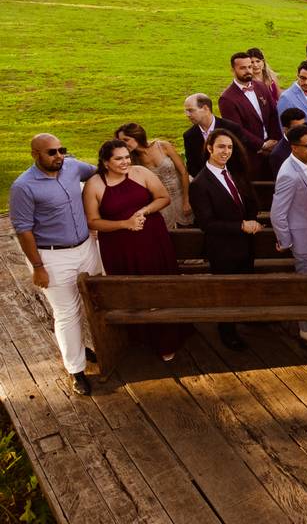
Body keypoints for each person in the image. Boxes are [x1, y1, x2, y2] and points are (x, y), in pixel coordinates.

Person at [10, 134, 103, 395]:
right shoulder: (23, 187)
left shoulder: (73, 167)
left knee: (97, 300)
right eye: (51, 152)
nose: (59, 156)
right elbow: (24, 231)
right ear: (35, 155)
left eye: (62, 150)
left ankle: (100, 348)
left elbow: (99, 174)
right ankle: (76, 369)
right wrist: (38, 267)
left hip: (86, 248)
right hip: (52, 257)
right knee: (67, 313)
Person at [83, 140, 190, 361]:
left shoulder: (140, 172)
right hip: (120, 247)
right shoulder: (95, 184)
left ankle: (169, 338)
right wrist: (125, 224)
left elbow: (164, 198)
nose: (125, 162)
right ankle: (139, 337)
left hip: (153, 240)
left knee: (159, 287)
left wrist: (143, 211)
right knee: (132, 292)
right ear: (105, 162)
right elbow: (93, 221)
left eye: (126, 157)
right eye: (118, 158)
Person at [189, 130, 261, 351]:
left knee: (245, 285)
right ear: (209, 148)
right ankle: (227, 330)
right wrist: (241, 226)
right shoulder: (200, 184)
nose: (226, 152)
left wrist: (252, 218)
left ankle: (248, 317)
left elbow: (247, 201)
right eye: (221, 147)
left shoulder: (234, 173)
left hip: (246, 245)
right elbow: (207, 224)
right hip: (223, 248)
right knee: (227, 291)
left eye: (229, 147)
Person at [271, 126, 307, 347]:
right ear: (293, 148)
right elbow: (278, 213)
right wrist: (286, 242)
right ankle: (305, 327)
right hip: (302, 238)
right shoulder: (288, 174)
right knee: (305, 282)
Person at [217, 51, 282, 180]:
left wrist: (274, 141)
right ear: (233, 70)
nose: (248, 70)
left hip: (273, 151)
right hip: (251, 156)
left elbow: (274, 115)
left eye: (250, 67)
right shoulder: (227, 98)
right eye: (242, 68)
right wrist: (262, 145)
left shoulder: (261, 87)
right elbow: (236, 130)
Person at [114, 122, 192, 228]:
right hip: (161, 204)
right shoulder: (131, 161)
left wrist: (186, 200)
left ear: (136, 135)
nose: (123, 144)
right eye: (121, 141)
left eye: (126, 140)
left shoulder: (163, 146)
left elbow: (183, 172)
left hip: (182, 195)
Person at [182, 92, 253, 178]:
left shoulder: (232, 129)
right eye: (186, 111)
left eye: (191, 110)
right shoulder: (189, 136)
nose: (187, 115)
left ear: (205, 108)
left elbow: (242, 158)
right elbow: (192, 167)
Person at [269, 107, 307, 178]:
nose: (303, 130)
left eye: (304, 125)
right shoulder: (277, 155)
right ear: (286, 130)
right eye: (297, 128)